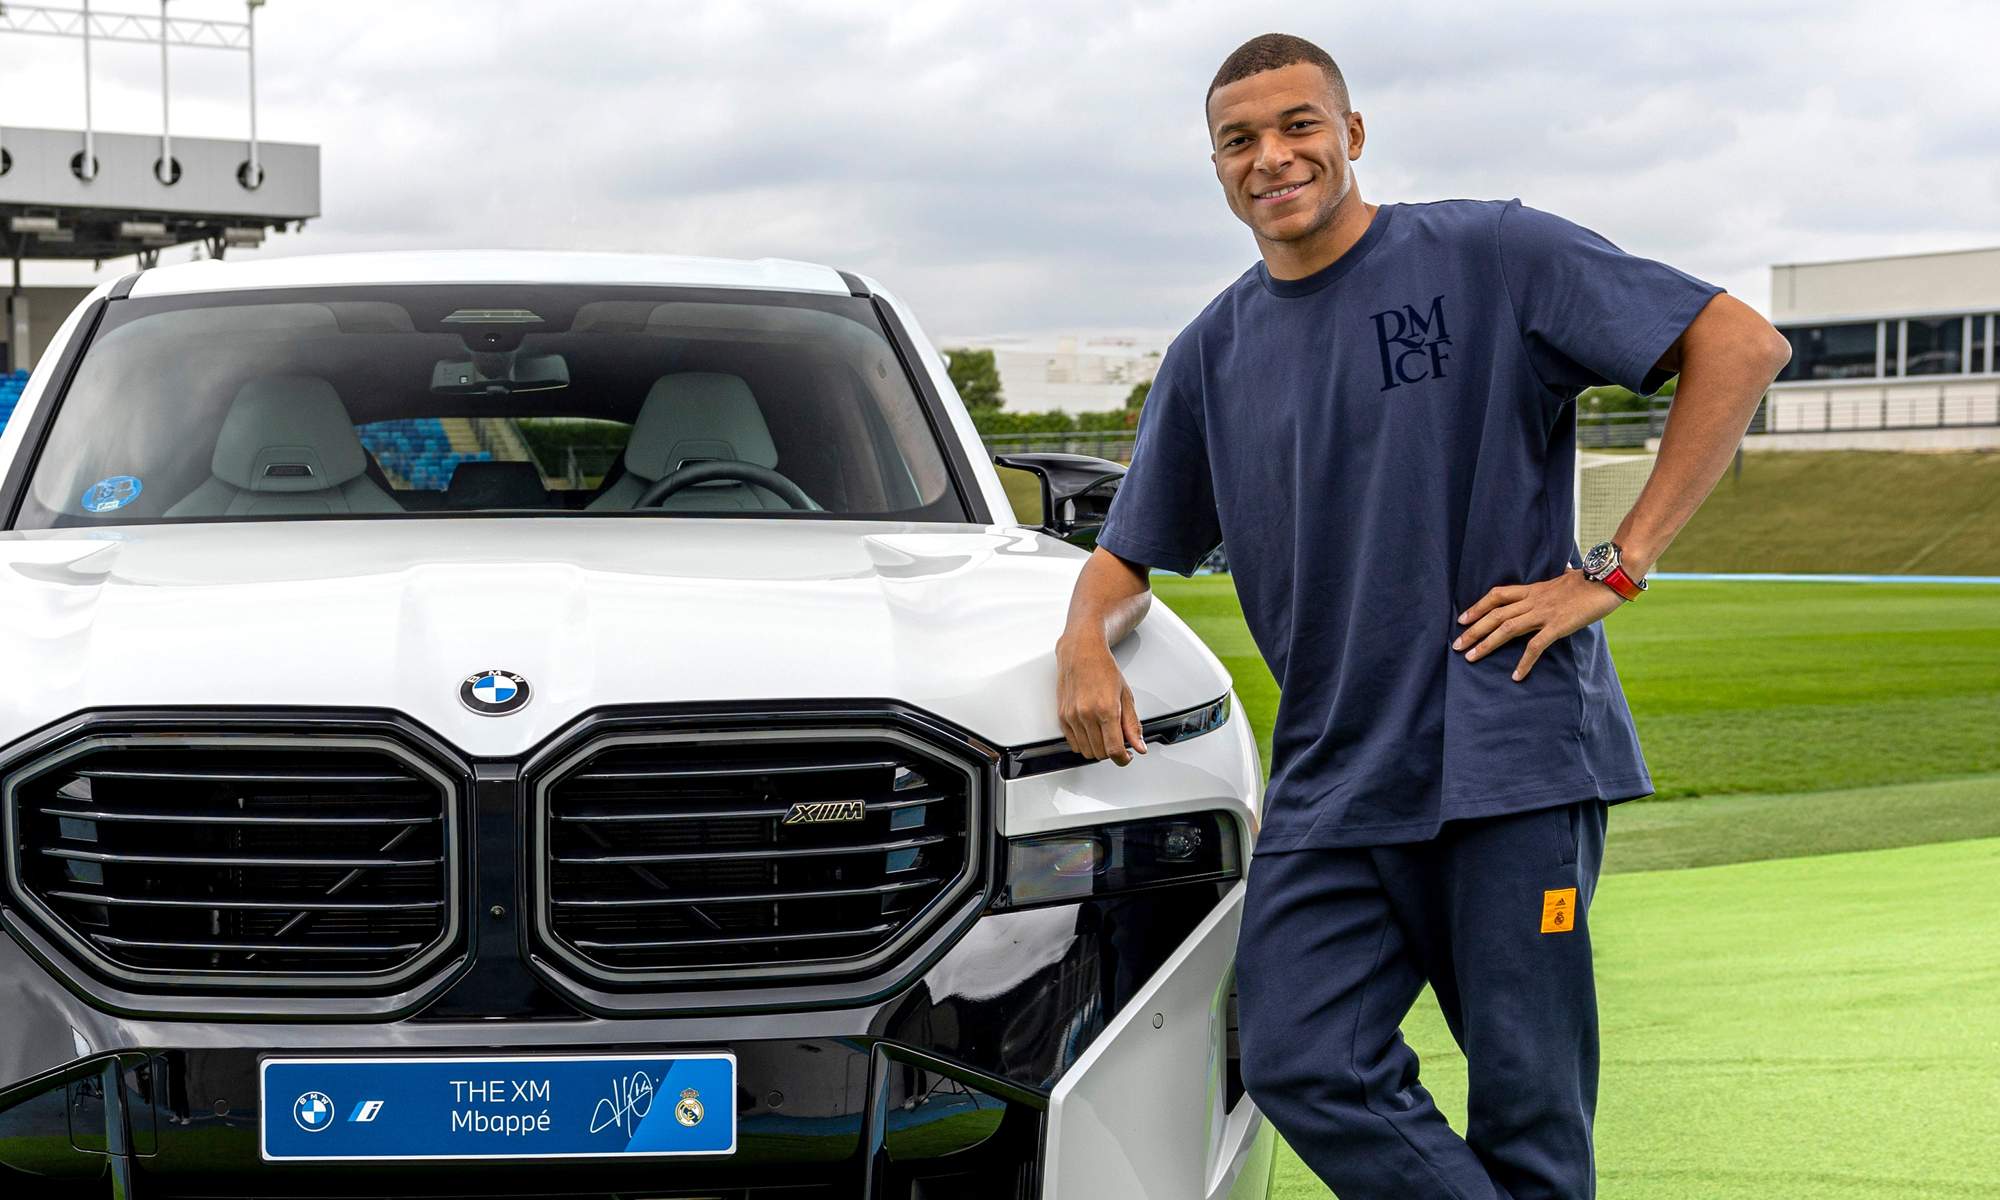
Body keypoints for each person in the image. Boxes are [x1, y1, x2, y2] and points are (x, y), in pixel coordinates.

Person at [1051, 32, 1791, 1200]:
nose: (1272, 156)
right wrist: (1082, 638)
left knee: (1526, 1109)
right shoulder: (1209, 352)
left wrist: (1613, 569)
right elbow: (1129, 550)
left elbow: (1738, 343)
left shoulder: (1488, 250)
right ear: (1215, 168)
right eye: (1238, 139)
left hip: (1505, 762)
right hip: (1333, 780)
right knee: (1299, 1060)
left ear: (1350, 135)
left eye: (1298, 125)